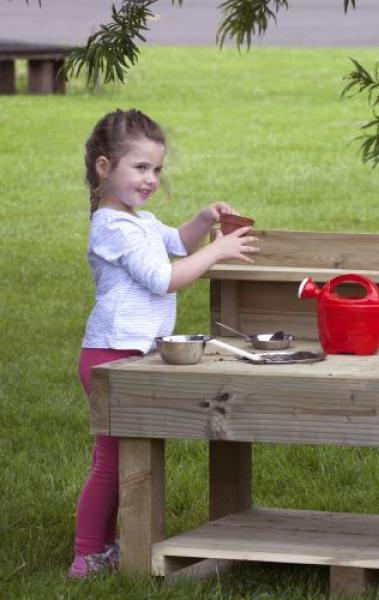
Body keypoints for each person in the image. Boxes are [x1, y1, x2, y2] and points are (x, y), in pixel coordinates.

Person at [70, 108, 258, 578]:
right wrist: (217, 252)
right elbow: (162, 278)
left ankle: (113, 545)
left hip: (133, 353)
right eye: (140, 167)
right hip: (111, 354)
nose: (151, 178)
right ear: (104, 167)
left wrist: (200, 222)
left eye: (157, 168)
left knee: (124, 455)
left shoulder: (142, 221)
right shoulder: (112, 226)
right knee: (111, 460)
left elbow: (174, 243)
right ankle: (87, 554)